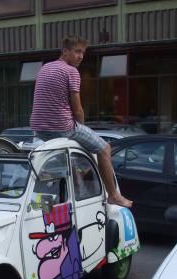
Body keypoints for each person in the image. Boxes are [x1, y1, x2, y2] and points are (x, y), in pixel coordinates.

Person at [30, 35, 132, 208]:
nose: (81, 56)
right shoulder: (71, 72)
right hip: (62, 127)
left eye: (83, 53)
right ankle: (114, 195)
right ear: (65, 51)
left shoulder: (45, 68)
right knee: (104, 147)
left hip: (38, 128)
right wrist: (81, 127)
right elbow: (77, 109)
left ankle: (75, 187)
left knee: (70, 159)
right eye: (77, 52)